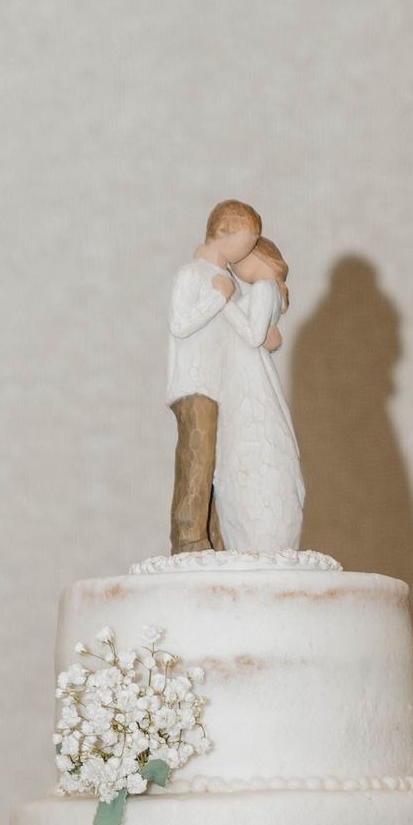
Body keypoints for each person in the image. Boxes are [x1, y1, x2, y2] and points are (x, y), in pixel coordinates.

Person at [166, 199, 262, 554]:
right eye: (246, 241)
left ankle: (215, 539)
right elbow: (179, 324)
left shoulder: (226, 281)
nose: (249, 249)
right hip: (195, 383)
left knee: (218, 467)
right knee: (198, 456)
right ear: (225, 233)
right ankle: (189, 537)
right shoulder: (192, 274)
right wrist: (217, 300)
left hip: (223, 385)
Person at [210, 238, 305, 557]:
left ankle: (259, 534)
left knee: (251, 438)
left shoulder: (264, 288)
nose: (235, 268)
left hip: (249, 375)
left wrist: (224, 302)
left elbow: (252, 335)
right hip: (246, 371)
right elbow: (265, 337)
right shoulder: (265, 291)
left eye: (240, 260)